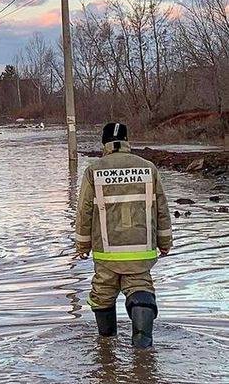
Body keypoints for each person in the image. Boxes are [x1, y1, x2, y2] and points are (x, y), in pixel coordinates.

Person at [75, 123, 173, 348]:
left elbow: (84, 212)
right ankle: (142, 348)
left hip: (107, 253)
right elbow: (162, 210)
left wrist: (82, 246)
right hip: (141, 251)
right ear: (128, 141)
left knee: (102, 296)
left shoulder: (94, 171)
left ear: (104, 143)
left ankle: (107, 348)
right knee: (141, 290)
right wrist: (165, 243)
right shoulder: (148, 168)